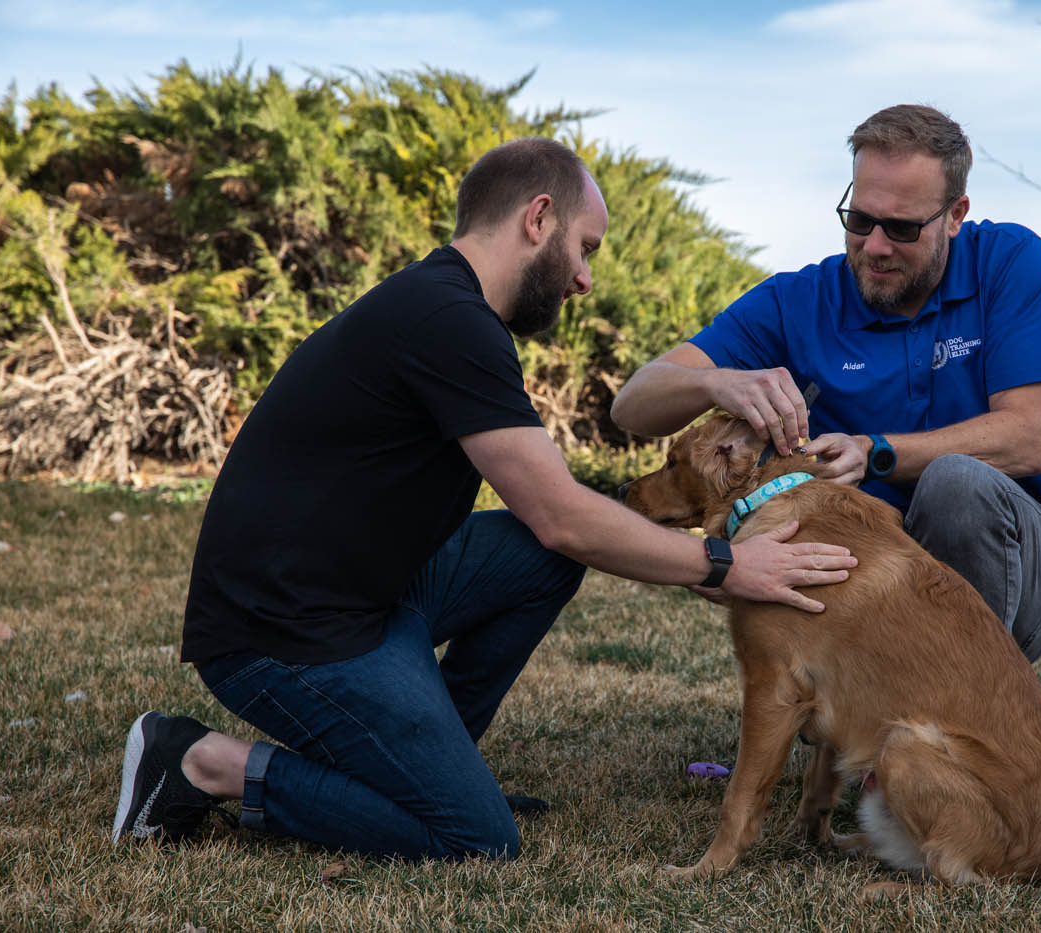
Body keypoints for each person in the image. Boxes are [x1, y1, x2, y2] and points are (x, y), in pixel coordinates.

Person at [112, 138, 856, 861]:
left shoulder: (451, 311)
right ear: (539, 219)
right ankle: (200, 760)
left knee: (539, 560)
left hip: (371, 592)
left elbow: (558, 518)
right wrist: (723, 562)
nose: (586, 280)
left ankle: (426, 766)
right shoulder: (447, 322)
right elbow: (562, 515)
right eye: (586, 248)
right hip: (283, 632)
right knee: (475, 838)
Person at [611, 104, 1041, 663]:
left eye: (903, 227)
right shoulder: (799, 300)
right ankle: (857, 704)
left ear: (955, 214)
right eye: (859, 221)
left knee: (956, 484)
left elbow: (1029, 438)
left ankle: (961, 702)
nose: (876, 246)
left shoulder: (1009, 261)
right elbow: (634, 405)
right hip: (866, 574)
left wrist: (875, 452)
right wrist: (718, 383)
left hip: (1021, 571)